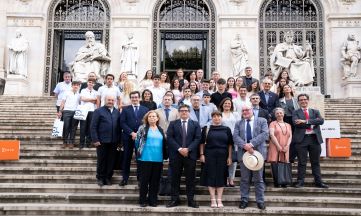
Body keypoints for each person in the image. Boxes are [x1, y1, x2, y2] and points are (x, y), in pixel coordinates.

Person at [233, 105, 269, 210]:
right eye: (243, 110)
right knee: (244, 179)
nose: (245, 112)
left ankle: (260, 201)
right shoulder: (238, 123)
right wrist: (245, 146)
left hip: (258, 154)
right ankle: (244, 200)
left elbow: (265, 134)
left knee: (259, 179)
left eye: (247, 110)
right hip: (244, 154)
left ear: (252, 110)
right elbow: (235, 137)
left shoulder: (262, 121)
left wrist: (251, 144)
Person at [166, 104, 201, 208]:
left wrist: (188, 149)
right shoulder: (173, 124)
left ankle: (191, 200)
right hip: (176, 155)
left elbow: (198, 138)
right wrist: (180, 149)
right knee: (174, 178)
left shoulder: (195, 124)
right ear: (179, 112)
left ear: (189, 112)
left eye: (186, 110)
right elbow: (169, 138)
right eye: (182, 110)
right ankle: (174, 200)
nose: (184, 112)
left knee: (190, 179)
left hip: (190, 156)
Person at [292, 94, 328, 189]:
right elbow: (296, 123)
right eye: (301, 100)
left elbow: (321, 121)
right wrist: (313, 122)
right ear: (298, 102)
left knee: (315, 162)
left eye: (305, 99)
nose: (303, 101)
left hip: (314, 139)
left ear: (308, 100)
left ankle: (318, 181)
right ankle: (300, 182)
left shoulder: (315, 111)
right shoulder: (295, 112)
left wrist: (305, 121)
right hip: (301, 140)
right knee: (301, 162)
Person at [199, 111, 233, 208]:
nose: (216, 118)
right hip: (209, 155)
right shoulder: (206, 129)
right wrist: (202, 154)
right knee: (211, 176)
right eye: (214, 116)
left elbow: (230, 144)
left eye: (218, 116)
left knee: (221, 177)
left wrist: (230, 157)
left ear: (221, 118)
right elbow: (202, 143)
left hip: (223, 155)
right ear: (212, 118)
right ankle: (213, 199)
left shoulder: (227, 129)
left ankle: (219, 199)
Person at [135, 111, 167, 207]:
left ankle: (152, 200)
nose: (152, 118)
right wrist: (139, 152)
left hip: (158, 159)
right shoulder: (142, 128)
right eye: (150, 116)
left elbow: (164, 143)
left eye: (154, 116)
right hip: (145, 158)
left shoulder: (161, 129)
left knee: (155, 181)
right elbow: (137, 141)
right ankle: (143, 200)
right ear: (147, 118)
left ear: (157, 118)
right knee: (144, 181)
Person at [119, 91, 149, 186]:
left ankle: (140, 178)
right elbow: (122, 123)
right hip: (128, 137)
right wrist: (131, 133)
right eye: (132, 97)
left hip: (141, 138)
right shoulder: (125, 109)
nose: (134, 99)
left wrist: (139, 134)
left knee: (140, 158)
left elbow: (147, 123)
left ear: (139, 98)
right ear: (130, 98)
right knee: (126, 158)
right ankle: (125, 178)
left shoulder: (145, 109)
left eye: (136, 97)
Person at [90, 95, 121, 186]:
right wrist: (95, 139)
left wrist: (119, 141)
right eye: (109, 100)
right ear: (105, 100)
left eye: (112, 100)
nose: (110, 101)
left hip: (114, 141)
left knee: (111, 160)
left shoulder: (117, 112)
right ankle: (100, 177)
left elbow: (118, 127)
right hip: (101, 141)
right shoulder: (98, 111)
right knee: (102, 160)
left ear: (114, 101)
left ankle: (108, 178)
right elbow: (93, 126)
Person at [219, 98, 241, 187]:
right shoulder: (219, 114)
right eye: (225, 103)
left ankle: (231, 179)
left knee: (233, 160)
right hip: (222, 139)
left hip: (234, 139)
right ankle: (225, 178)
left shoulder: (235, 114)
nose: (227, 105)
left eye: (229, 103)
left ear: (231, 105)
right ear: (222, 104)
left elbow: (239, 126)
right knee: (224, 159)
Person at [267, 108, 292, 187]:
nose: (279, 114)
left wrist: (287, 146)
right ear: (275, 115)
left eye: (281, 113)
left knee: (284, 163)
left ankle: (284, 181)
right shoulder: (272, 123)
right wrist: (278, 146)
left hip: (285, 146)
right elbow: (271, 135)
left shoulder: (288, 125)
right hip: (275, 145)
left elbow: (290, 136)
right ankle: (277, 182)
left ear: (284, 114)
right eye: (277, 113)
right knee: (275, 163)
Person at [57, 80, 82, 148]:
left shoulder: (79, 94)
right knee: (66, 127)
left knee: (73, 128)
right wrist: (60, 111)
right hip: (67, 111)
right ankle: (65, 142)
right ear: (72, 86)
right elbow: (63, 102)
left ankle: (71, 142)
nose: (76, 86)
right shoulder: (67, 93)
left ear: (79, 86)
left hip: (75, 112)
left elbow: (80, 104)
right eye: (74, 85)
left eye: (77, 85)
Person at [279, 84, 299, 162]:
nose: (287, 89)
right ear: (283, 90)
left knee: (294, 138)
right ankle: (286, 155)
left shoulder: (296, 100)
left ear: (291, 89)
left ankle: (292, 156)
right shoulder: (280, 100)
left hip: (294, 120)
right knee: (286, 138)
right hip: (285, 120)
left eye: (288, 87)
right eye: (285, 88)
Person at [79, 78, 98, 149]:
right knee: (82, 127)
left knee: (90, 127)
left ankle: (88, 142)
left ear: (94, 84)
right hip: (84, 110)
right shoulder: (83, 90)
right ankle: (81, 143)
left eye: (92, 83)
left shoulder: (96, 92)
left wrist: (87, 99)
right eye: (89, 82)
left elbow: (96, 102)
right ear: (87, 83)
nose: (91, 84)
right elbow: (82, 99)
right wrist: (92, 99)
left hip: (92, 111)